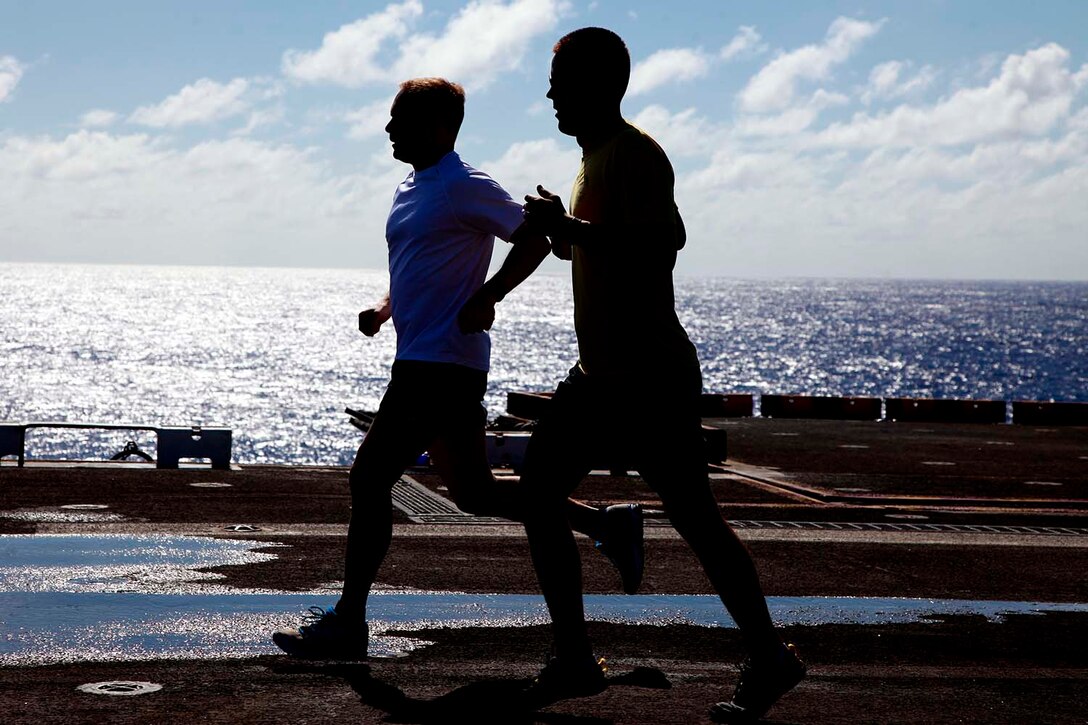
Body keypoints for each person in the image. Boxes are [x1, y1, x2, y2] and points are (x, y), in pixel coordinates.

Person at [272, 77, 643, 660]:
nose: (389, 129)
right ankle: (605, 524)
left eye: (399, 119)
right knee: (474, 492)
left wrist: (490, 293)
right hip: (425, 355)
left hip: (440, 363)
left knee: (369, 478)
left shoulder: (462, 184)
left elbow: (538, 238)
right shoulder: (412, 187)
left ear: (438, 128)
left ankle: (348, 622)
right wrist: (384, 307)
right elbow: (418, 267)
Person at [517, 28, 806, 722]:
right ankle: (575, 656)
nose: (550, 94)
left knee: (697, 520)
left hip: (648, 378)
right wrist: (563, 233)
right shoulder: (593, 161)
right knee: (537, 491)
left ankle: (767, 657)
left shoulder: (637, 155)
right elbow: (603, 246)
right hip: (601, 374)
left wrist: (574, 231)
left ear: (598, 86)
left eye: (560, 81)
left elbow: (660, 245)